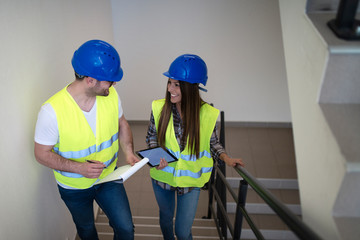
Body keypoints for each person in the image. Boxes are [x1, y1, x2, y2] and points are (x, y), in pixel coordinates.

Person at [34, 40, 138, 240]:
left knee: (125, 229)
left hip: (109, 177)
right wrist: (79, 168)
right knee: (86, 230)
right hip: (74, 188)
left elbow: (122, 123)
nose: (114, 84)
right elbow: (41, 154)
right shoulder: (51, 111)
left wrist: (128, 151)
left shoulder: (111, 95)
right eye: (110, 80)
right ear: (90, 80)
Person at [146, 54, 245, 240]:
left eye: (176, 85)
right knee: (166, 219)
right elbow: (151, 136)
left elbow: (213, 143)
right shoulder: (159, 108)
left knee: (183, 232)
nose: (170, 89)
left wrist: (226, 158)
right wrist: (154, 158)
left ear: (191, 88)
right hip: (163, 178)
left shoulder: (207, 114)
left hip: (191, 183)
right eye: (169, 83)